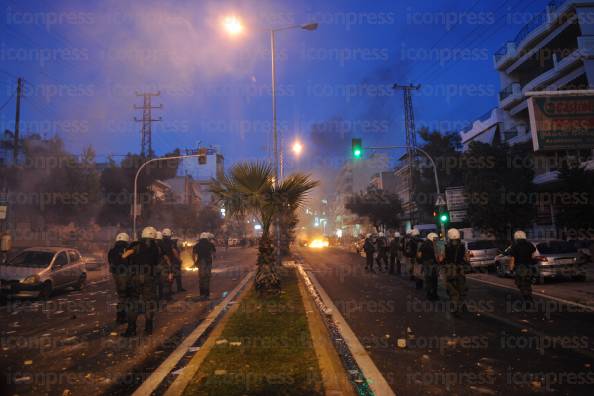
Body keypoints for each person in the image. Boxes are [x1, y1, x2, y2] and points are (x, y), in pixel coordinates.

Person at [121, 226, 161, 336]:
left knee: (133, 303)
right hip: (149, 278)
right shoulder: (156, 248)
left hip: (135, 277)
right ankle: (148, 328)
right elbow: (157, 264)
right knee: (149, 303)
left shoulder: (136, 245)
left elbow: (124, 256)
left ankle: (131, 329)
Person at [443, 228, 467, 316]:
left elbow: (441, 259)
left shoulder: (445, 246)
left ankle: (455, 308)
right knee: (461, 288)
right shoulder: (462, 246)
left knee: (452, 289)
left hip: (449, 269)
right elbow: (466, 258)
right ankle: (461, 306)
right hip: (460, 269)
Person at [108, 232, 130, 324]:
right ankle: (122, 317)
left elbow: (110, 262)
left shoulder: (112, 250)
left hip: (115, 275)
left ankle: (121, 316)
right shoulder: (127, 250)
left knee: (121, 295)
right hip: (124, 275)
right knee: (125, 296)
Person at [509, 230, 536, 304]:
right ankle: (529, 297)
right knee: (528, 283)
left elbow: (512, 259)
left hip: (520, 267)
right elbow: (533, 255)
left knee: (520, 283)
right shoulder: (529, 244)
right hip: (529, 266)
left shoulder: (515, 246)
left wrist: (511, 269)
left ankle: (526, 298)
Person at [192, 232, 217, 300]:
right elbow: (214, 254)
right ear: (207, 238)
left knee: (201, 278)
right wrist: (213, 259)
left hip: (200, 262)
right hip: (208, 262)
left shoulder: (197, 245)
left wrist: (195, 263)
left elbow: (193, 255)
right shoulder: (210, 244)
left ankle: (202, 294)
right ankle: (207, 294)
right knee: (207, 278)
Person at [162, 228, 185, 293]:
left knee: (166, 277)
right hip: (171, 261)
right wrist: (179, 259)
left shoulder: (161, 242)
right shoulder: (171, 242)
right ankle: (171, 292)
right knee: (173, 275)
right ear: (169, 234)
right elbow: (174, 251)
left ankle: (168, 291)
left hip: (163, 262)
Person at [420, 233, 439, 300]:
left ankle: (429, 294)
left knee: (428, 279)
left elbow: (419, 254)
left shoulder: (423, 244)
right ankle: (434, 294)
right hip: (434, 264)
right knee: (434, 279)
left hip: (426, 263)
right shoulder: (436, 244)